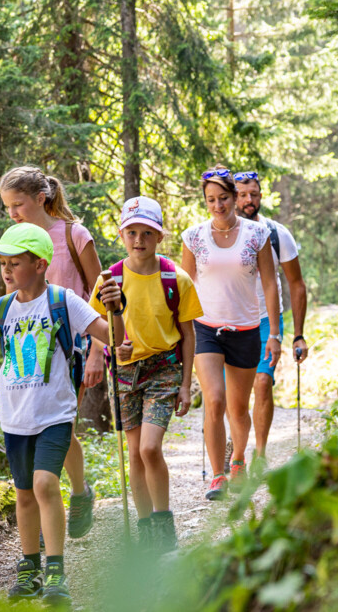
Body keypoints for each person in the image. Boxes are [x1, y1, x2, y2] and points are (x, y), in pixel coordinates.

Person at [0, 222, 124, 606]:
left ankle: (55, 570)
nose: (5, 270)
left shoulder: (62, 300)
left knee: (45, 485)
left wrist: (116, 308)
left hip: (54, 413)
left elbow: (115, 339)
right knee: (23, 495)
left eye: (14, 263)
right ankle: (30, 566)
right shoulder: (0, 307)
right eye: (2, 263)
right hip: (15, 418)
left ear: (39, 265)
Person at [88, 196, 203, 551]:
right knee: (134, 453)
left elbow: (188, 333)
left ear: (159, 236)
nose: (139, 240)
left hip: (163, 368)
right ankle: (144, 528)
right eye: (132, 232)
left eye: (147, 233)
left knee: (151, 448)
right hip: (124, 372)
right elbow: (97, 327)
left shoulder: (175, 278)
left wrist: (186, 384)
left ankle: (163, 523)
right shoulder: (110, 279)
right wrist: (105, 352)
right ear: (122, 234)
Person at [0, 166, 103, 538]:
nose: (12, 213)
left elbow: (100, 294)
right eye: (7, 206)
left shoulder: (74, 234)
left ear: (40, 198)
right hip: (30, 347)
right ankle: (63, 498)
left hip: (72, 345)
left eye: (18, 204)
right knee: (48, 427)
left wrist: (97, 352)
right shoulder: (16, 238)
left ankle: (69, 494)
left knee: (61, 424)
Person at [180, 165, 281, 500]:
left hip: (247, 329)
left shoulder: (256, 234)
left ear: (235, 197)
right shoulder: (194, 236)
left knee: (238, 408)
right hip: (206, 328)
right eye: (211, 200)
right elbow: (186, 285)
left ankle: (238, 459)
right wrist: (179, 332)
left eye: (223, 198)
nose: (217, 206)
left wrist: (275, 333)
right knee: (215, 399)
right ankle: (218, 475)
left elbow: (269, 283)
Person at [234, 171, 309, 461]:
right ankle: (236, 445)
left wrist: (298, 335)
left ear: (261, 195)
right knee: (234, 394)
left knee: (262, 382)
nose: (248, 200)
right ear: (233, 197)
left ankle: (260, 454)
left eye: (253, 194)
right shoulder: (221, 235)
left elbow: (297, 284)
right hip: (231, 321)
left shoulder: (277, 234)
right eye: (242, 194)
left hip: (267, 319)